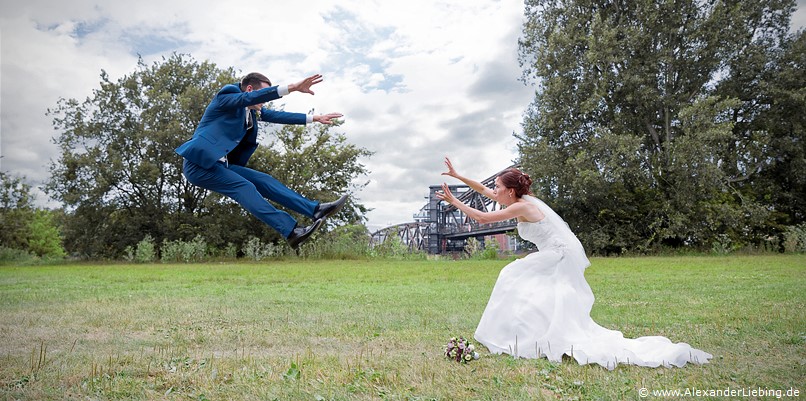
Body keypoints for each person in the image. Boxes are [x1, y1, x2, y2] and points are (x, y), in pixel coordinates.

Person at [436, 157, 712, 369]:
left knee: (514, 274)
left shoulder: (522, 206)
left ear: (510, 191)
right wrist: (459, 176)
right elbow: (483, 189)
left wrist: (453, 200)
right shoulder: (516, 198)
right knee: (525, 283)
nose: (494, 191)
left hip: (559, 253)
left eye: (499, 187)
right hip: (553, 250)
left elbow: (483, 220)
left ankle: (535, 337)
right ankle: (528, 334)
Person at [176, 72, 348, 249]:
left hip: (220, 165)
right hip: (198, 165)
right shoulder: (227, 95)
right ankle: (291, 232)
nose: (264, 102)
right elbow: (253, 97)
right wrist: (293, 87)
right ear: (249, 89)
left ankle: (315, 210)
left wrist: (314, 118)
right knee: (244, 187)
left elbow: (276, 116)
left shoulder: (250, 110)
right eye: (263, 96)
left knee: (263, 180)